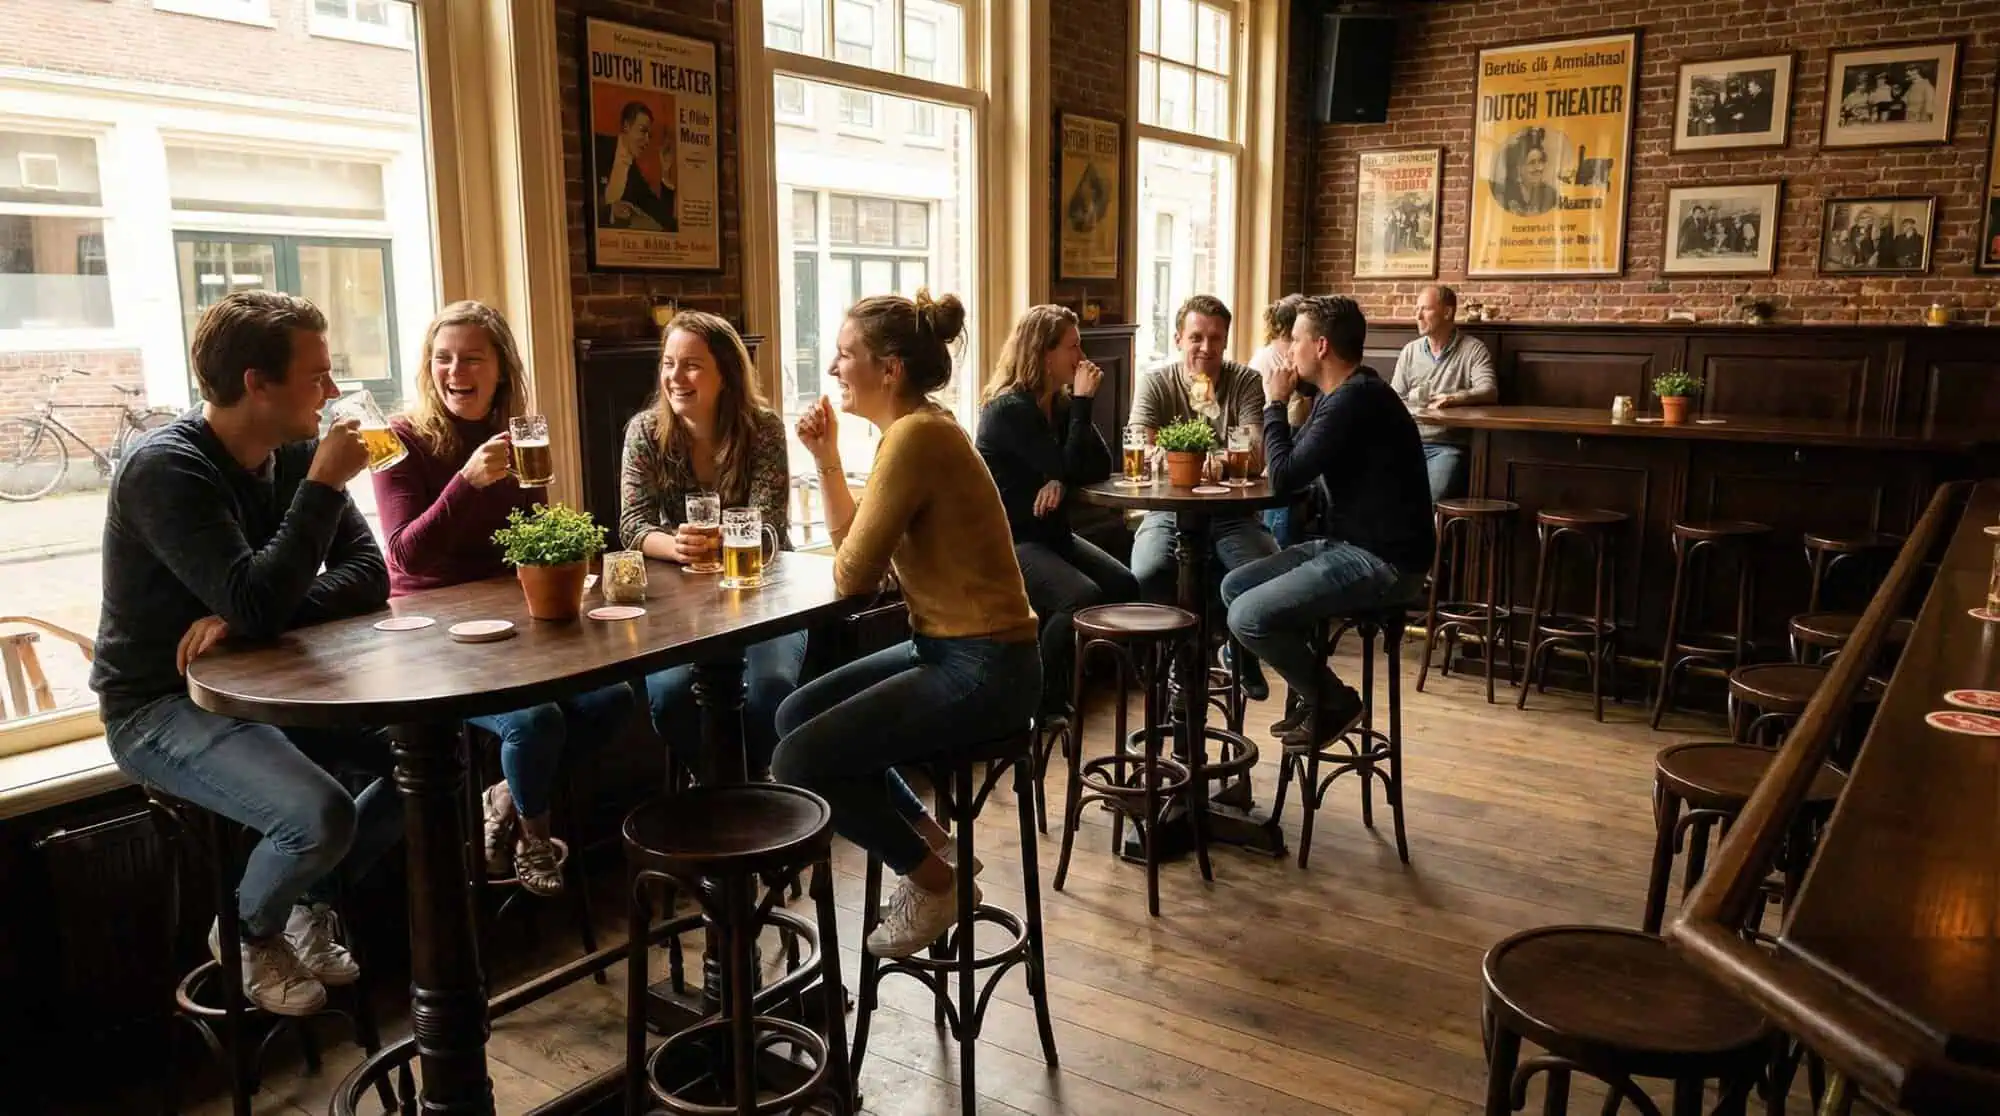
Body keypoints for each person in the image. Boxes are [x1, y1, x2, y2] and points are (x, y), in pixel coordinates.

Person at [91, 290, 401, 1017]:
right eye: (316, 375)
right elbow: (257, 599)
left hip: (269, 685)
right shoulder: (166, 470)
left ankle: (305, 903)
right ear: (256, 383)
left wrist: (242, 619)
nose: (331, 392)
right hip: (159, 705)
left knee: (422, 765)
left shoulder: (293, 454)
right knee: (322, 815)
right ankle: (247, 930)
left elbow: (369, 576)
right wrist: (322, 488)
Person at [777, 290, 1041, 959]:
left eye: (845, 355)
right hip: (953, 649)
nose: (835, 368)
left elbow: (851, 577)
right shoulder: (918, 430)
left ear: (888, 369)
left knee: (798, 757)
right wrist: (826, 458)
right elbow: (853, 552)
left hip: (986, 665)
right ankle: (934, 840)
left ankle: (934, 882)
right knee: (794, 715)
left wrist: (847, 531)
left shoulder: (916, 439)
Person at [372, 301, 633, 897]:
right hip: (430, 631)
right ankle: (534, 836)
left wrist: (572, 566)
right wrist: (466, 482)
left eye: (470, 358)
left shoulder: (518, 437)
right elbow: (405, 556)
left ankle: (505, 797)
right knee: (534, 722)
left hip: (509, 622)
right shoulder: (396, 440)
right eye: (443, 359)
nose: (454, 371)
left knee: (611, 699)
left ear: (500, 371)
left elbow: (531, 539)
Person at [1223, 296, 1435, 745]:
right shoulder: (1343, 395)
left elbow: (1282, 477)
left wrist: (1274, 403)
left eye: (1295, 340)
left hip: (1386, 562)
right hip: (1350, 544)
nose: (1287, 351)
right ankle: (1310, 688)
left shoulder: (1353, 400)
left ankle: (1332, 700)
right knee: (1234, 587)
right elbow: (1297, 463)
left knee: (1247, 615)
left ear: (1320, 346)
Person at [621, 310, 803, 780]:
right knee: (672, 694)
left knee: (771, 689)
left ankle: (753, 781)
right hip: (683, 599)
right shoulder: (644, 432)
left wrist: (731, 540)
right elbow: (632, 525)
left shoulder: (762, 429)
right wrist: (675, 546)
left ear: (726, 373)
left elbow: (769, 532)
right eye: (668, 364)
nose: (675, 378)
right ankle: (725, 791)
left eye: (692, 365)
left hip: (764, 593)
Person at [976, 304, 1138, 722]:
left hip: (1051, 532)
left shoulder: (1059, 404)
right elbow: (1065, 463)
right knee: (1080, 597)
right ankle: (1041, 700)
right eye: (1073, 346)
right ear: (1044, 354)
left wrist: (1060, 477)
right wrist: (1082, 408)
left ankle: (1101, 678)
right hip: (1013, 540)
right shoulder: (1009, 410)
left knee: (1124, 582)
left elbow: (1098, 464)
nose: (1082, 356)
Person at [1128, 294, 1279, 696]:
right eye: (1196, 337)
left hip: (1232, 514)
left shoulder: (1244, 380)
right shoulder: (1156, 383)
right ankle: (1165, 661)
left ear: (1226, 341)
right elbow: (1140, 447)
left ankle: (1240, 648)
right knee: (1147, 571)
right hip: (1168, 510)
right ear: (1178, 338)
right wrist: (1202, 457)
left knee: (1259, 575)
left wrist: (1211, 455)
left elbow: (1257, 451)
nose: (1206, 348)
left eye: (1216, 339)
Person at [1390, 284, 1497, 502]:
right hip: (1407, 443)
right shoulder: (1410, 351)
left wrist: (1454, 398)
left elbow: (1489, 390)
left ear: (1447, 312)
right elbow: (1394, 398)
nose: (1418, 316)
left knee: (1427, 499)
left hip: (1447, 446)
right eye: (1417, 309)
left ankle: (1424, 537)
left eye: (1425, 309)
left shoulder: (1473, 349)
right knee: (1380, 493)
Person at [1249, 295, 1315, 548]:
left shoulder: (1285, 356)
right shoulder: (1270, 360)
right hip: (1274, 438)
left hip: (1292, 435)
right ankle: (1279, 549)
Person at [596, 101, 677, 232]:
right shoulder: (597, 147)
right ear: (626, 126)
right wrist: (610, 211)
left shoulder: (636, 178)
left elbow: (666, 221)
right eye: (642, 131)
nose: (647, 141)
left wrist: (666, 172)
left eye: (649, 136)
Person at [1499, 134, 1559, 216]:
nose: (1538, 168)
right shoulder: (1506, 193)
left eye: (1540, 161)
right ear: (1519, 168)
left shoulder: (1551, 194)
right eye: (1532, 163)